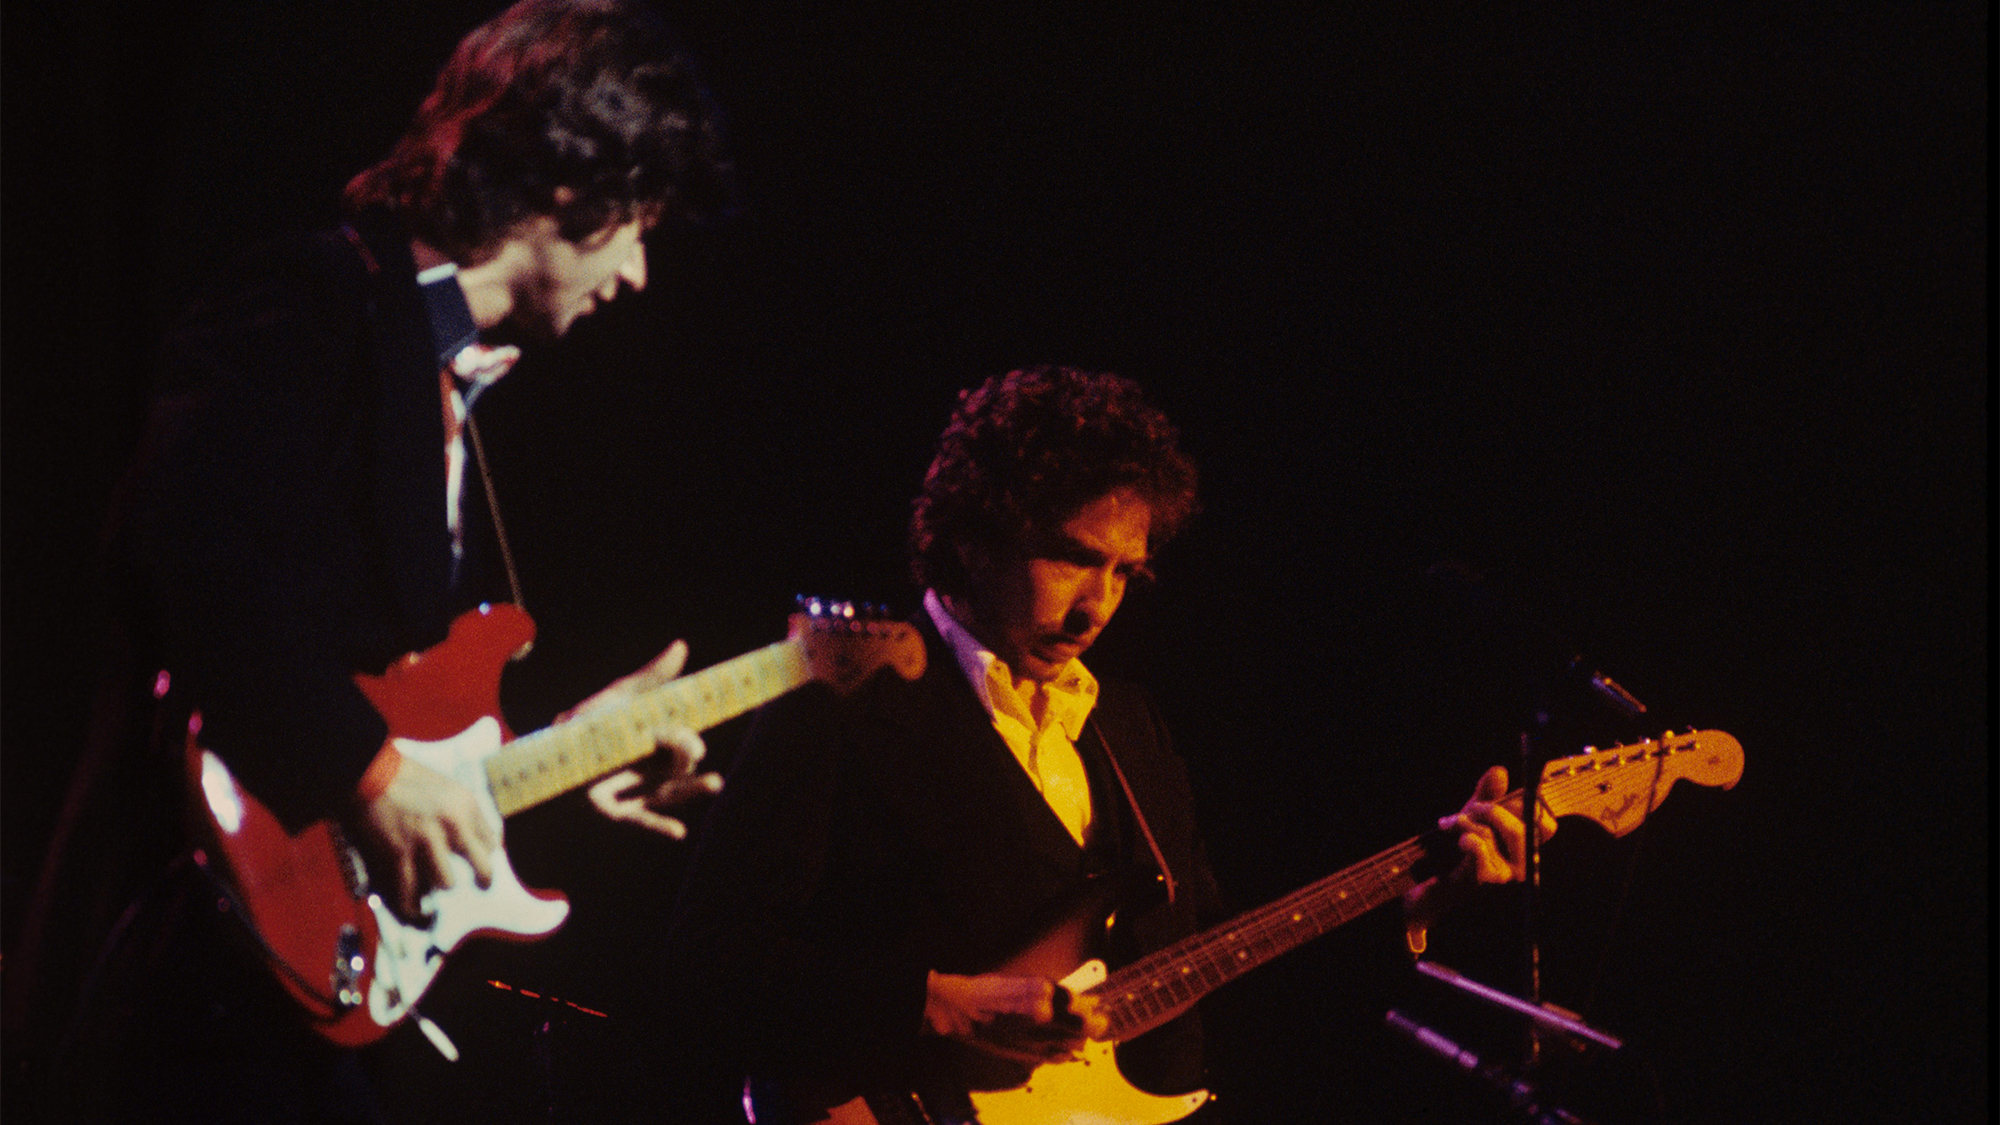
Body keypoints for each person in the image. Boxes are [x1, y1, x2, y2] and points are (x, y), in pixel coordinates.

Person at [3, 2, 734, 1121]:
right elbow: (177, 546)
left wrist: (571, 755)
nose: (636, 271)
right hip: (192, 949)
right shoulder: (314, 298)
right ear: (566, 186)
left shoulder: (446, 383)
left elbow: (384, 700)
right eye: (637, 219)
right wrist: (367, 772)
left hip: (305, 988)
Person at [654, 365, 1546, 1125]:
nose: (1097, 606)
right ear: (972, 534)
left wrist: (1414, 904)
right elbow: (705, 967)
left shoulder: (1129, 724)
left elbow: (1212, 973)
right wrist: (933, 1003)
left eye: (1125, 571)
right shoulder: (844, 698)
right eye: (1070, 558)